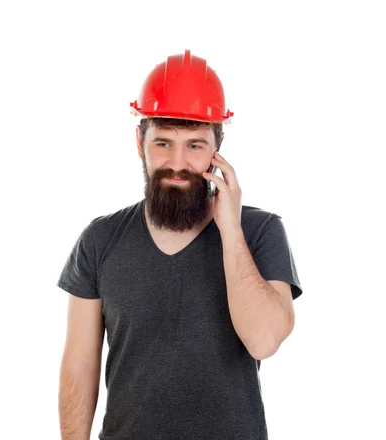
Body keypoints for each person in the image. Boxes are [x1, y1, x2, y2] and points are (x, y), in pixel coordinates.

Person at [56, 49, 303, 440]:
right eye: (163, 143)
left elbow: (263, 340)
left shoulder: (259, 231)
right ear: (140, 142)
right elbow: (79, 366)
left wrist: (230, 229)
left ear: (218, 148)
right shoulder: (100, 240)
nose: (177, 162)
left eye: (194, 145)